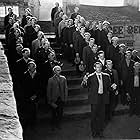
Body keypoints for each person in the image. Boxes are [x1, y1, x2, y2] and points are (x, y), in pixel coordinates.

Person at [81, 62, 113, 138]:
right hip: (95, 99)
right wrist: (84, 81)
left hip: (103, 98)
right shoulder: (91, 77)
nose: (99, 68)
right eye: (97, 67)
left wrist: (113, 87)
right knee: (94, 116)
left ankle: (100, 132)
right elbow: (85, 86)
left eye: (100, 67)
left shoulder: (106, 76)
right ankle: (94, 132)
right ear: (94, 68)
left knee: (102, 116)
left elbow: (108, 88)